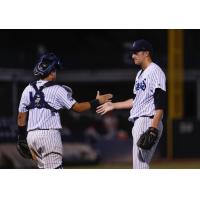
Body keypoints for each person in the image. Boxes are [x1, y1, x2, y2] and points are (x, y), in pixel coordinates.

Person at [16, 53, 112, 169]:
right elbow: (78, 108)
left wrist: (21, 138)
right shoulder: (58, 90)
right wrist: (97, 101)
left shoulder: (28, 89)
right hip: (48, 136)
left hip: (31, 137)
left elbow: (21, 117)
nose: (55, 72)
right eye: (55, 70)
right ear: (51, 71)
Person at [97, 39, 166, 169]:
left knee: (139, 166)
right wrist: (113, 105)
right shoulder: (140, 74)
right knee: (140, 166)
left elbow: (160, 102)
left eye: (136, 52)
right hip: (141, 121)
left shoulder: (155, 71)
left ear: (146, 53)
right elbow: (136, 101)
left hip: (148, 120)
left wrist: (153, 128)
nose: (133, 56)